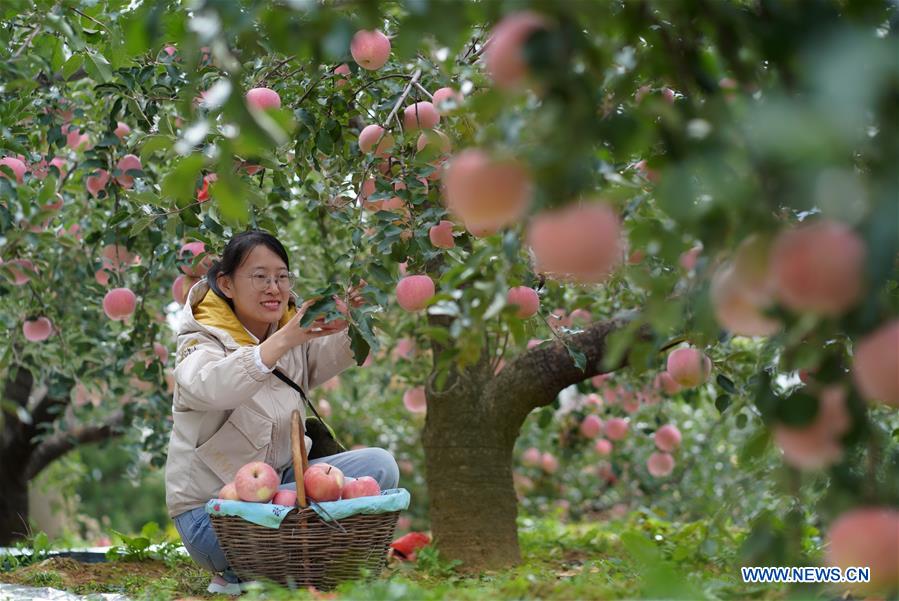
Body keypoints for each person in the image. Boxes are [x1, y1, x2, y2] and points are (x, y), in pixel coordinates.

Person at [164, 230, 399, 595]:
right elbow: (212, 386)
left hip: (280, 496)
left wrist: (357, 314)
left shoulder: (288, 336)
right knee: (296, 511)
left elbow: (341, 352)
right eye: (260, 277)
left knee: (380, 466)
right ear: (226, 284)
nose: (274, 287)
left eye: (282, 277)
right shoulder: (201, 341)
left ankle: (284, 567)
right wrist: (285, 339)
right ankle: (252, 568)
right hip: (214, 519)